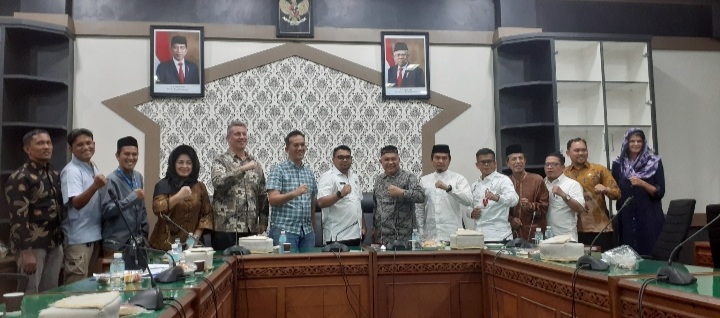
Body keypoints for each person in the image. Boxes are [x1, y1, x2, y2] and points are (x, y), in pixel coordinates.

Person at [5, 130, 64, 293]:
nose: (46, 147)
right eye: (40, 143)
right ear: (27, 149)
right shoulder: (20, 177)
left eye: (49, 143)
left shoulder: (53, 173)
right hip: (32, 245)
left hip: (55, 241)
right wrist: (26, 252)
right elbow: (18, 218)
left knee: (50, 293)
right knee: (30, 293)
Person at [211, 121, 269, 251]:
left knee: (250, 268)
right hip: (226, 228)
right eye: (237, 134)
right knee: (225, 268)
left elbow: (262, 195)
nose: (242, 137)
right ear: (228, 138)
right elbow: (218, 183)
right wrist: (242, 170)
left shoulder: (255, 164)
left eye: (244, 134)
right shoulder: (221, 161)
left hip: (250, 228)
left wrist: (263, 221)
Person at [61, 128, 107, 284]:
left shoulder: (92, 166)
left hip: (94, 236)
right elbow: (76, 203)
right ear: (70, 149)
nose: (86, 147)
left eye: (89, 143)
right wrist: (95, 186)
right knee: (76, 289)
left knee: (90, 289)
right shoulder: (72, 171)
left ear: (94, 144)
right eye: (80, 144)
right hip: (78, 240)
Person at [612, 128, 665, 256]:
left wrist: (643, 183)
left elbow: (660, 191)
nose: (636, 144)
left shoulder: (654, 162)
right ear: (626, 143)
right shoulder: (618, 164)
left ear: (644, 143)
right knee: (628, 256)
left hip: (649, 216)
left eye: (639, 141)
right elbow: (615, 190)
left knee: (650, 253)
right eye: (632, 141)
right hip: (626, 217)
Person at [149, 145, 213, 251]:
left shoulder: (200, 187)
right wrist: (179, 196)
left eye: (189, 163)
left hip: (189, 246)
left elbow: (206, 215)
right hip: (163, 246)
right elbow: (158, 209)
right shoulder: (163, 184)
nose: (184, 166)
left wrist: (194, 239)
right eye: (180, 162)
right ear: (173, 164)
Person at [565, 138, 621, 251]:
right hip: (574, 229)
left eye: (584, 150)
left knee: (602, 264)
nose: (581, 153)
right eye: (576, 150)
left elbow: (617, 193)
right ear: (568, 153)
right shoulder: (564, 173)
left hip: (600, 228)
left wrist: (606, 189)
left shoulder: (599, 170)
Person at [101, 136, 148, 269]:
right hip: (116, 245)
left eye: (134, 154)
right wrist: (132, 197)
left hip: (136, 244)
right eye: (127, 154)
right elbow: (107, 211)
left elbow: (141, 207)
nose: (131, 158)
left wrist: (144, 235)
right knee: (116, 285)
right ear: (117, 156)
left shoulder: (138, 176)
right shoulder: (111, 180)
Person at [266, 130, 318, 250]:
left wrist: (313, 229)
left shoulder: (309, 172)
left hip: (307, 232)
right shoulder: (278, 170)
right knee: (286, 268)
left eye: (302, 145)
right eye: (296, 145)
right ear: (286, 149)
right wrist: (294, 193)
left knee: (309, 269)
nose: (300, 148)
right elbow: (273, 199)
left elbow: (312, 203)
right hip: (285, 232)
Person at [416, 144, 472, 242]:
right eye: (437, 158)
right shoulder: (424, 181)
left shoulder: (458, 179)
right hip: (430, 237)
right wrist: (421, 231)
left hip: (453, 236)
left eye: (444, 158)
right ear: (431, 160)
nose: (440, 161)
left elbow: (468, 200)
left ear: (449, 160)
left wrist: (449, 189)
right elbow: (419, 208)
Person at [372, 145, 425, 247]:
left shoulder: (408, 177)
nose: (390, 162)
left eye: (393, 159)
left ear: (399, 160)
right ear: (381, 162)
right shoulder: (379, 180)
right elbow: (376, 205)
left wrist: (402, 192)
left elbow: (421, 196)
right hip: (383, 238)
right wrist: (374, 228)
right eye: (386, 159)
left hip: (404, 237)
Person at [317, 145, 365, 246]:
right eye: (340, 157)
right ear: (333, 160)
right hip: (337, 236)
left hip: (356, 235)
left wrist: (363, 226)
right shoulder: (328, 177)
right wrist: (340, 194)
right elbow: (321, 202)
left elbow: (358, 203)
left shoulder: (354, 177)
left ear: (351, 159)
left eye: (348, 157)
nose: (345, 159)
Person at [469, 148, 518, 242]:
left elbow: (514, 199)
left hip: (499, 236)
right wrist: (471, 212)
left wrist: (497, 198)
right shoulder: (475, 185)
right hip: (478, 235)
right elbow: (468, 206)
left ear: (495, 163)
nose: (486, 164)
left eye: (489, 161)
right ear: (477, 165)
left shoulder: (503, 180)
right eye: (483, 162)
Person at [506, 144, 549, 241]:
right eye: (514, 159)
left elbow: (545, 207)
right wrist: (510, 219)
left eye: (520, 158)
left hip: (534, 233)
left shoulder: (537, 180)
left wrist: (530, 206)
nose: (518, 162)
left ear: (525, 161)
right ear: (507, 164)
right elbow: (499, 209)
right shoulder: (505, 182)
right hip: (511, 234)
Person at [544, 152, 585, 241]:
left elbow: (580, 208)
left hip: (566, 237)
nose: (549, 167)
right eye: (547, 164)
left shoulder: (572, 184)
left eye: (554, 164)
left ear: (563, 168)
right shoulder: (541, 184)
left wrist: (564, 195)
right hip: (545, 236)